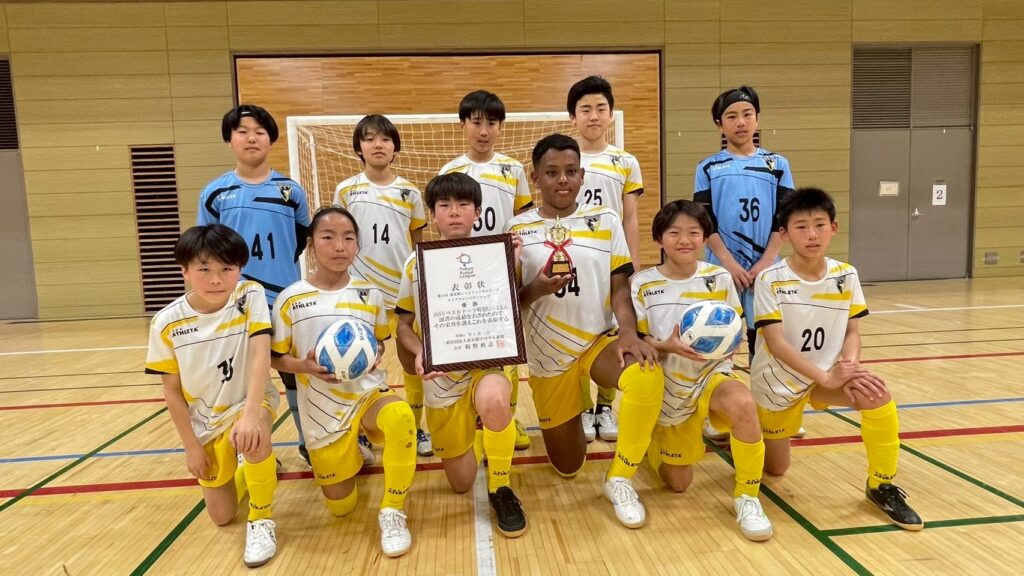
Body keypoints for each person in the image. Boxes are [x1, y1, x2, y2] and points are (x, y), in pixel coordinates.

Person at [505, 134, 663, 528]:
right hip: (548, 355)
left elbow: (620, 286)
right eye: (552, 172)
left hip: (597, 341)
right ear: (535, 178)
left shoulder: (605, 220)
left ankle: (620, 478)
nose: (562, 179)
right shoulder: (517, 229)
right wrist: (536, 288)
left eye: (571, 171)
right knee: (568, 467)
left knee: (645, 374)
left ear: (581, 175)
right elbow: (511, 302)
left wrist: (629, 332)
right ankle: (576, 407)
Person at [751, 187, 923, 531]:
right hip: (777, 385)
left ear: (834, 227)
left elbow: (852, 331)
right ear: (784, 234)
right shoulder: (770, 279)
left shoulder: (846, 274)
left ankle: (881, 484)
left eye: (819, 224)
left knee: (877, 395)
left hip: (825, 377)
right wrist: (827, 376)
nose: (812, 235)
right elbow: (775, 343)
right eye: (801, 227)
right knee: (776, 469)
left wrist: (850, 365)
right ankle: (745, 428)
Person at [270, 206, 418, 557]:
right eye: (328, 237)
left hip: (366, 394)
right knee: (341, 507)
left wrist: (375, 352)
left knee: (401, 417)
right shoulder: (291, 299)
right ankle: (355, 448)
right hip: (322, 410)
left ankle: (393, 509)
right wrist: (304, 366)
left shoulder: (370, 294)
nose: (340, 246)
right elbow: (275, 357)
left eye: (349, 238)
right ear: (311, 244)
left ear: (357, 245)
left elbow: (380, 341)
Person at [630, 200, 773, 541]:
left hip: (712, 375)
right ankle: (653, 439)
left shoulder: (719, 277)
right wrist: (667, 345)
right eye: (674, 233)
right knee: (679, 484)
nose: (685, 240)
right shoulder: (643, 283)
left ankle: (748, 497)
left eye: (694, 232)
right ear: (659, 238)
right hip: (670, 385)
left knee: (743, 403)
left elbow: (736, 324)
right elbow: (641, 339)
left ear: (705, 237)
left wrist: (726, 346)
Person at [395, 173, 527, 538]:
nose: (454, 212)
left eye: (463, 204)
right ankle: (484, 440)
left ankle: (501, 486)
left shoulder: (496, 256)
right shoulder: (415, 263)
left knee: (495, 400)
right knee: (461, 483)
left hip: (485, 366)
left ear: (477, 212)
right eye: (445, 205)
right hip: (441, 379)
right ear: (432, 214)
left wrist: (512, 262)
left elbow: (512, 307)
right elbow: (403, 324)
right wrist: (420, 350)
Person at [145, 224, 281, 567]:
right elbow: (171, 390)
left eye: (227, 269)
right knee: (222, 516)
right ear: (185, 271)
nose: (216, 279)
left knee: (253, 435)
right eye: (204, 269)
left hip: (248, 401)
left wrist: (250, 416)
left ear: (240, 269)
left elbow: (260, 355)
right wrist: (191, 446)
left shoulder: (249, 295)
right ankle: (250, 468)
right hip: (206, 421)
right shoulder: (166, 323)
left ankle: (261, 519)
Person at [198, 104, 311, 464]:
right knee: (245, 379)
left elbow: (299, 240)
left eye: (260, 132)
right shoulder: (215, 193)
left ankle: (310, 444)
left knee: (296, 375)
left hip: (285, 299)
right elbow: (207, 250)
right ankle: (256, 450)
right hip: (237, 302)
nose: (251, 138)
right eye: (242, 131)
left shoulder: (291, 191)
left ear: (271, 140)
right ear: (229, 140)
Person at [693, 86, 796, 443]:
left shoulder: (777, 165)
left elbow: (784, 218)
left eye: (747, 114)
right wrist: (727, 263)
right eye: (732, 116)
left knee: (765, 343)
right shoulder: (708, 167)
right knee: (718, 343)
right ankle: (717, 416)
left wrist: (766, 261)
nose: (740, 122)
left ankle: (771, 411)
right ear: (719, 123)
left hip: (765, 270)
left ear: (757, 119)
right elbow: (704, 221)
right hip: (722, 270)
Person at [439, 90, 535, 451]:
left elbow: (523, 219)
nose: (483, 130)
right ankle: (472, 410)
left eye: (491, 123)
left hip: (503, 271)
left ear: (500, 127)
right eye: (476, 122)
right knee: (468, 342)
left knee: (507, 344)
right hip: (464, 274)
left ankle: (507, 415)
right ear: (463, 125)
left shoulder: (512, 169)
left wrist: (519, 258)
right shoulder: (450, 171)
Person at [333, 114, 432, 459]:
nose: (378, 144)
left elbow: (418, 243)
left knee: (413, 362)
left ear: (395, 148)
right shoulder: (346, 190)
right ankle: (361, 431)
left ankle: (416, 427)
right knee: (357, 364)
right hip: (360, 293)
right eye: (369, 138)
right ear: (358, 148)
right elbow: (340, 240)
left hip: (402, 293)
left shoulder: (409, 191)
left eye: (385, 139)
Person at [567, 75, 645, 443]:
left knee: (613, 331)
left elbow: (631, 217)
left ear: (611, 114)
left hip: (612, 262)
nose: (594, 115)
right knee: (578, 332)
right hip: (573, 261)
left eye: (600, 108)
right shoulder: (565, 158)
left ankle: (605, 406)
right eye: (585, 109)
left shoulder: (625, 161)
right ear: (573, 117)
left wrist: (634, 264)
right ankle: (583, 406)